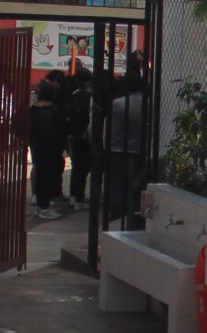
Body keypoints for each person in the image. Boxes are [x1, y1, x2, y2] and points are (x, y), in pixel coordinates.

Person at [102, 72, 147, 228]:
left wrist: (104, 146)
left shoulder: (118, 103)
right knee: (136, 184)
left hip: (116, 148)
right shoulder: (148, 104)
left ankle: (116, 215)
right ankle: (135, 213)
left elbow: (106, 126)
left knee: (116, 183)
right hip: (139, 149)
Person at [28, 70, 68, 220]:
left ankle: (40, 202)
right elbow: (62, 128)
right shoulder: (54, 110)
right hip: (51, 146)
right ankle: (44, 205)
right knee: (48, 176)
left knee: (39, 172)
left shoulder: (32, 110)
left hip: (36, 145)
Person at [63, 63, 96, 209]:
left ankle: (74, 196)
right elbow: (89, 117)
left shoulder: (74, 94)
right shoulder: (90, 97)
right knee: (83, 168)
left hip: (73, 134)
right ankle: (78, 198)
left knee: (77, 166)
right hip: (84, 136)